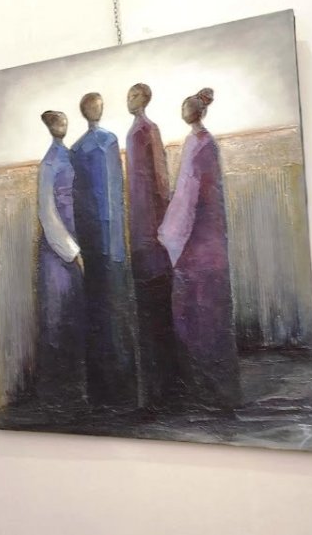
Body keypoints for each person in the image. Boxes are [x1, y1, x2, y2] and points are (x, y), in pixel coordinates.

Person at [158, 88, 242, 409]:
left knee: (197, 312)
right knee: (212, 311)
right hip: (210, 240)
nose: (185, 111)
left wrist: (169, 234)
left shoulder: (198, 144)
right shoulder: (204, 142)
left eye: (187, 107)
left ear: (195, 112)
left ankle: (205, 390)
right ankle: (217, 388)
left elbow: (187, 198)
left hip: (196, 244)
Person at [70, 92, 137, 409]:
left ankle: (101, 391)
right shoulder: (108, 141)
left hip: (92, 243)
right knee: (116, 311)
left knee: (98, 312)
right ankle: (121, 390)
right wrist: (116, 242)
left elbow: (81, 202)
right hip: (111, 242)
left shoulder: (76, 148)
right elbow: (114, 194)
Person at [124, 84, 185, 408]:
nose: (129, 100)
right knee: (147, 310)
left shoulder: (148, 131)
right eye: (129, 96)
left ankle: (165, 386)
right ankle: (154, 387)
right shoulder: (133, 133)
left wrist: (162, 226)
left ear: (145, 99)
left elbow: (161, 179)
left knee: (157, 306)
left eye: (134, 96)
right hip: (140, 231)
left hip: (152, 232)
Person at [34, 110, 86, 407]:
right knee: (56, 316)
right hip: (57, 254)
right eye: (58, 122)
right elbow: (47, 214)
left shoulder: (70, 156)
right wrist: (71, 251)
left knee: (73, 315)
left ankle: (75, 387)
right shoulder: (49, 164)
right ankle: (55, 393)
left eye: (65, 121)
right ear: (50, 127)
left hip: (75, 243)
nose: (63, 125)